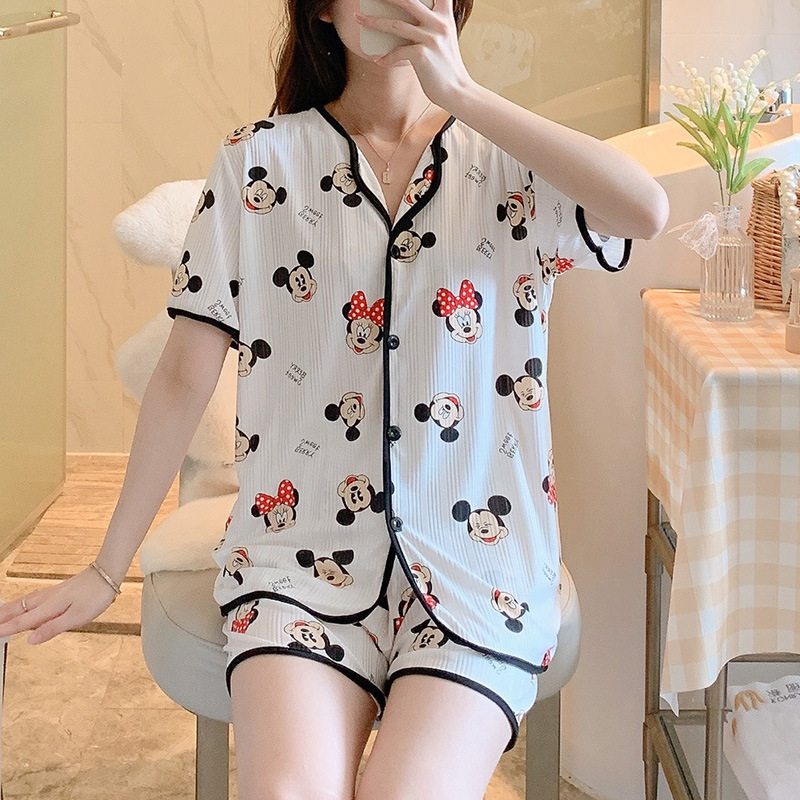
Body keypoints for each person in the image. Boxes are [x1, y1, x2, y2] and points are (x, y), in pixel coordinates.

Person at [0, 1, 669, 798]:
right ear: (324, 7)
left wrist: (463, 94)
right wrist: (105, 570)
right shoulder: (256, 163)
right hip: (299, 563)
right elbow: (182, 375)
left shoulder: (509, 158)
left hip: (477, 569)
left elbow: (646, 211)